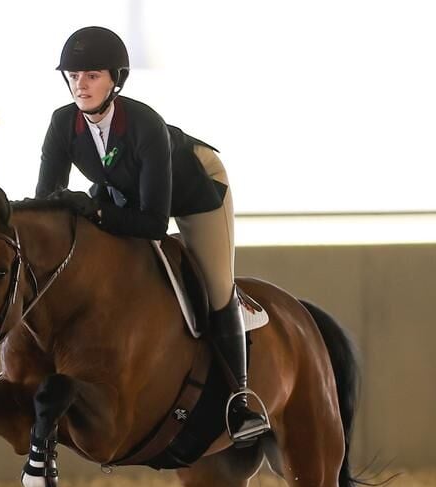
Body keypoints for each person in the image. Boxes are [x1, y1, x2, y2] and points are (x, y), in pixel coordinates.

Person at [35, 26, 269, 446]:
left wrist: (98, 210)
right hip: (127, 192)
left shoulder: (144, 124)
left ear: (115, 80)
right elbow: (46, 200)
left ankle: (241, 399)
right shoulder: (62, 124)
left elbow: (154, 225)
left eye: (91, 75)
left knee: (216, 288)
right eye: (73, 76)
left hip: (195, 189)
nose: (80, 85)